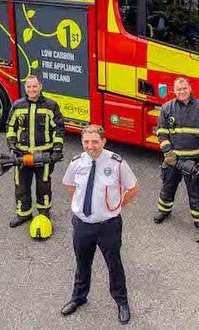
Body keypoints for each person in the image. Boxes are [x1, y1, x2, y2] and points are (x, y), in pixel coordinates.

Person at [61, 125, 139, 325]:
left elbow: (133, 188)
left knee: (114, 265)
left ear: (103, 141)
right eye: (86, 142)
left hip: (108, 226)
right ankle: (79, 297)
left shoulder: (116, 163)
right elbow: (70, 185)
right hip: (82, 224)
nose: (90, 146)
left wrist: (115, 206)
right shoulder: (77, 162)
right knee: (82, 263)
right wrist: (83, 207)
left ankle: (121, 301)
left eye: (95, 141)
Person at [153, 77, 199, 230]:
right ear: (174, 91)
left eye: (184, 88)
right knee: (168, 186)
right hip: (173, 160)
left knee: (196, 192)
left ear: (190, 89)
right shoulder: (167, 108)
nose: (182, 91)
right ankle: (163, 211)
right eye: (178, 89)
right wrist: (168, 153)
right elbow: (161, 132)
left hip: (195, 160)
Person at [5, 75, 64, 227]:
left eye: (34, 86)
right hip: (21, 155)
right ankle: (23, 214)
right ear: (25, 88)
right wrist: (12, 146)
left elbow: (58, 129)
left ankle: (44, 213)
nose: (32, 89)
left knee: (43, 185)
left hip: (44, 156)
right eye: (29, 87)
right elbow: (10, 127)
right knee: (21, 186)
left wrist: (57, 150)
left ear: (40, 87)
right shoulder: (17, 106)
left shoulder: (51, 106)